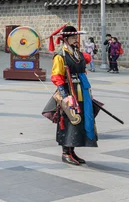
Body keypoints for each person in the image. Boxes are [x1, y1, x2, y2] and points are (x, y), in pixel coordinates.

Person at [42, 25, 100, 166]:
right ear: (66, 39)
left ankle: (72, 151)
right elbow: (57, 76)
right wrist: (65, 95)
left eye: (76, 37)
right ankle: (65, 152)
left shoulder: (77, 53)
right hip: (70, 91)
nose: (76, 40)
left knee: (80, 120)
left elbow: (86, 60)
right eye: (73, 37)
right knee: (70, 120)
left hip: (82, 91)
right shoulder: (60, 56)